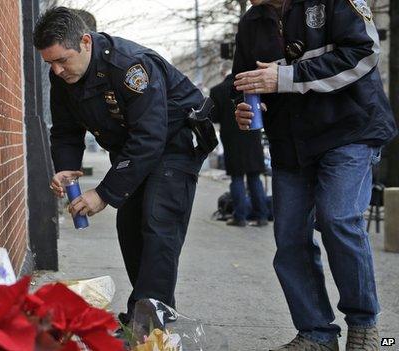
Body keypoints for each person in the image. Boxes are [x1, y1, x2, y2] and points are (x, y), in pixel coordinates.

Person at [233, 0, 398, 350]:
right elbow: (247, 81)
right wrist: (246, 108)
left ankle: (365, 326)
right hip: (289, 143)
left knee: (338, 218)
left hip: (349, 131)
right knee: (290, 237)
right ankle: (316, 333)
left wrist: (286, 77)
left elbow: (364, 53)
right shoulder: (252, 20)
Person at [33, 6, 209, 325]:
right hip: (133, 149)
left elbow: (149, 137)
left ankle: (147, 324)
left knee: (157, 224)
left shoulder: (131, 66)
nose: (57, 70)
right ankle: (153, 309)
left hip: (174, 142)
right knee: (129, 229)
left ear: (85, 42)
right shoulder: (62, 75)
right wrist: (68, 166)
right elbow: (65, 129)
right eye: (50, 63)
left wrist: (103, 193)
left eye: (62, 60)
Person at [210, 61, 269, 227]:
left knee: (236, 178)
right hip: (252, 137)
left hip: (232, 141)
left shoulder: (217, 90)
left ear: (223, 73)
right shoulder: (250, 87)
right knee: (254, 177)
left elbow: (213, 117)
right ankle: (262, 216)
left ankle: (240, 217)